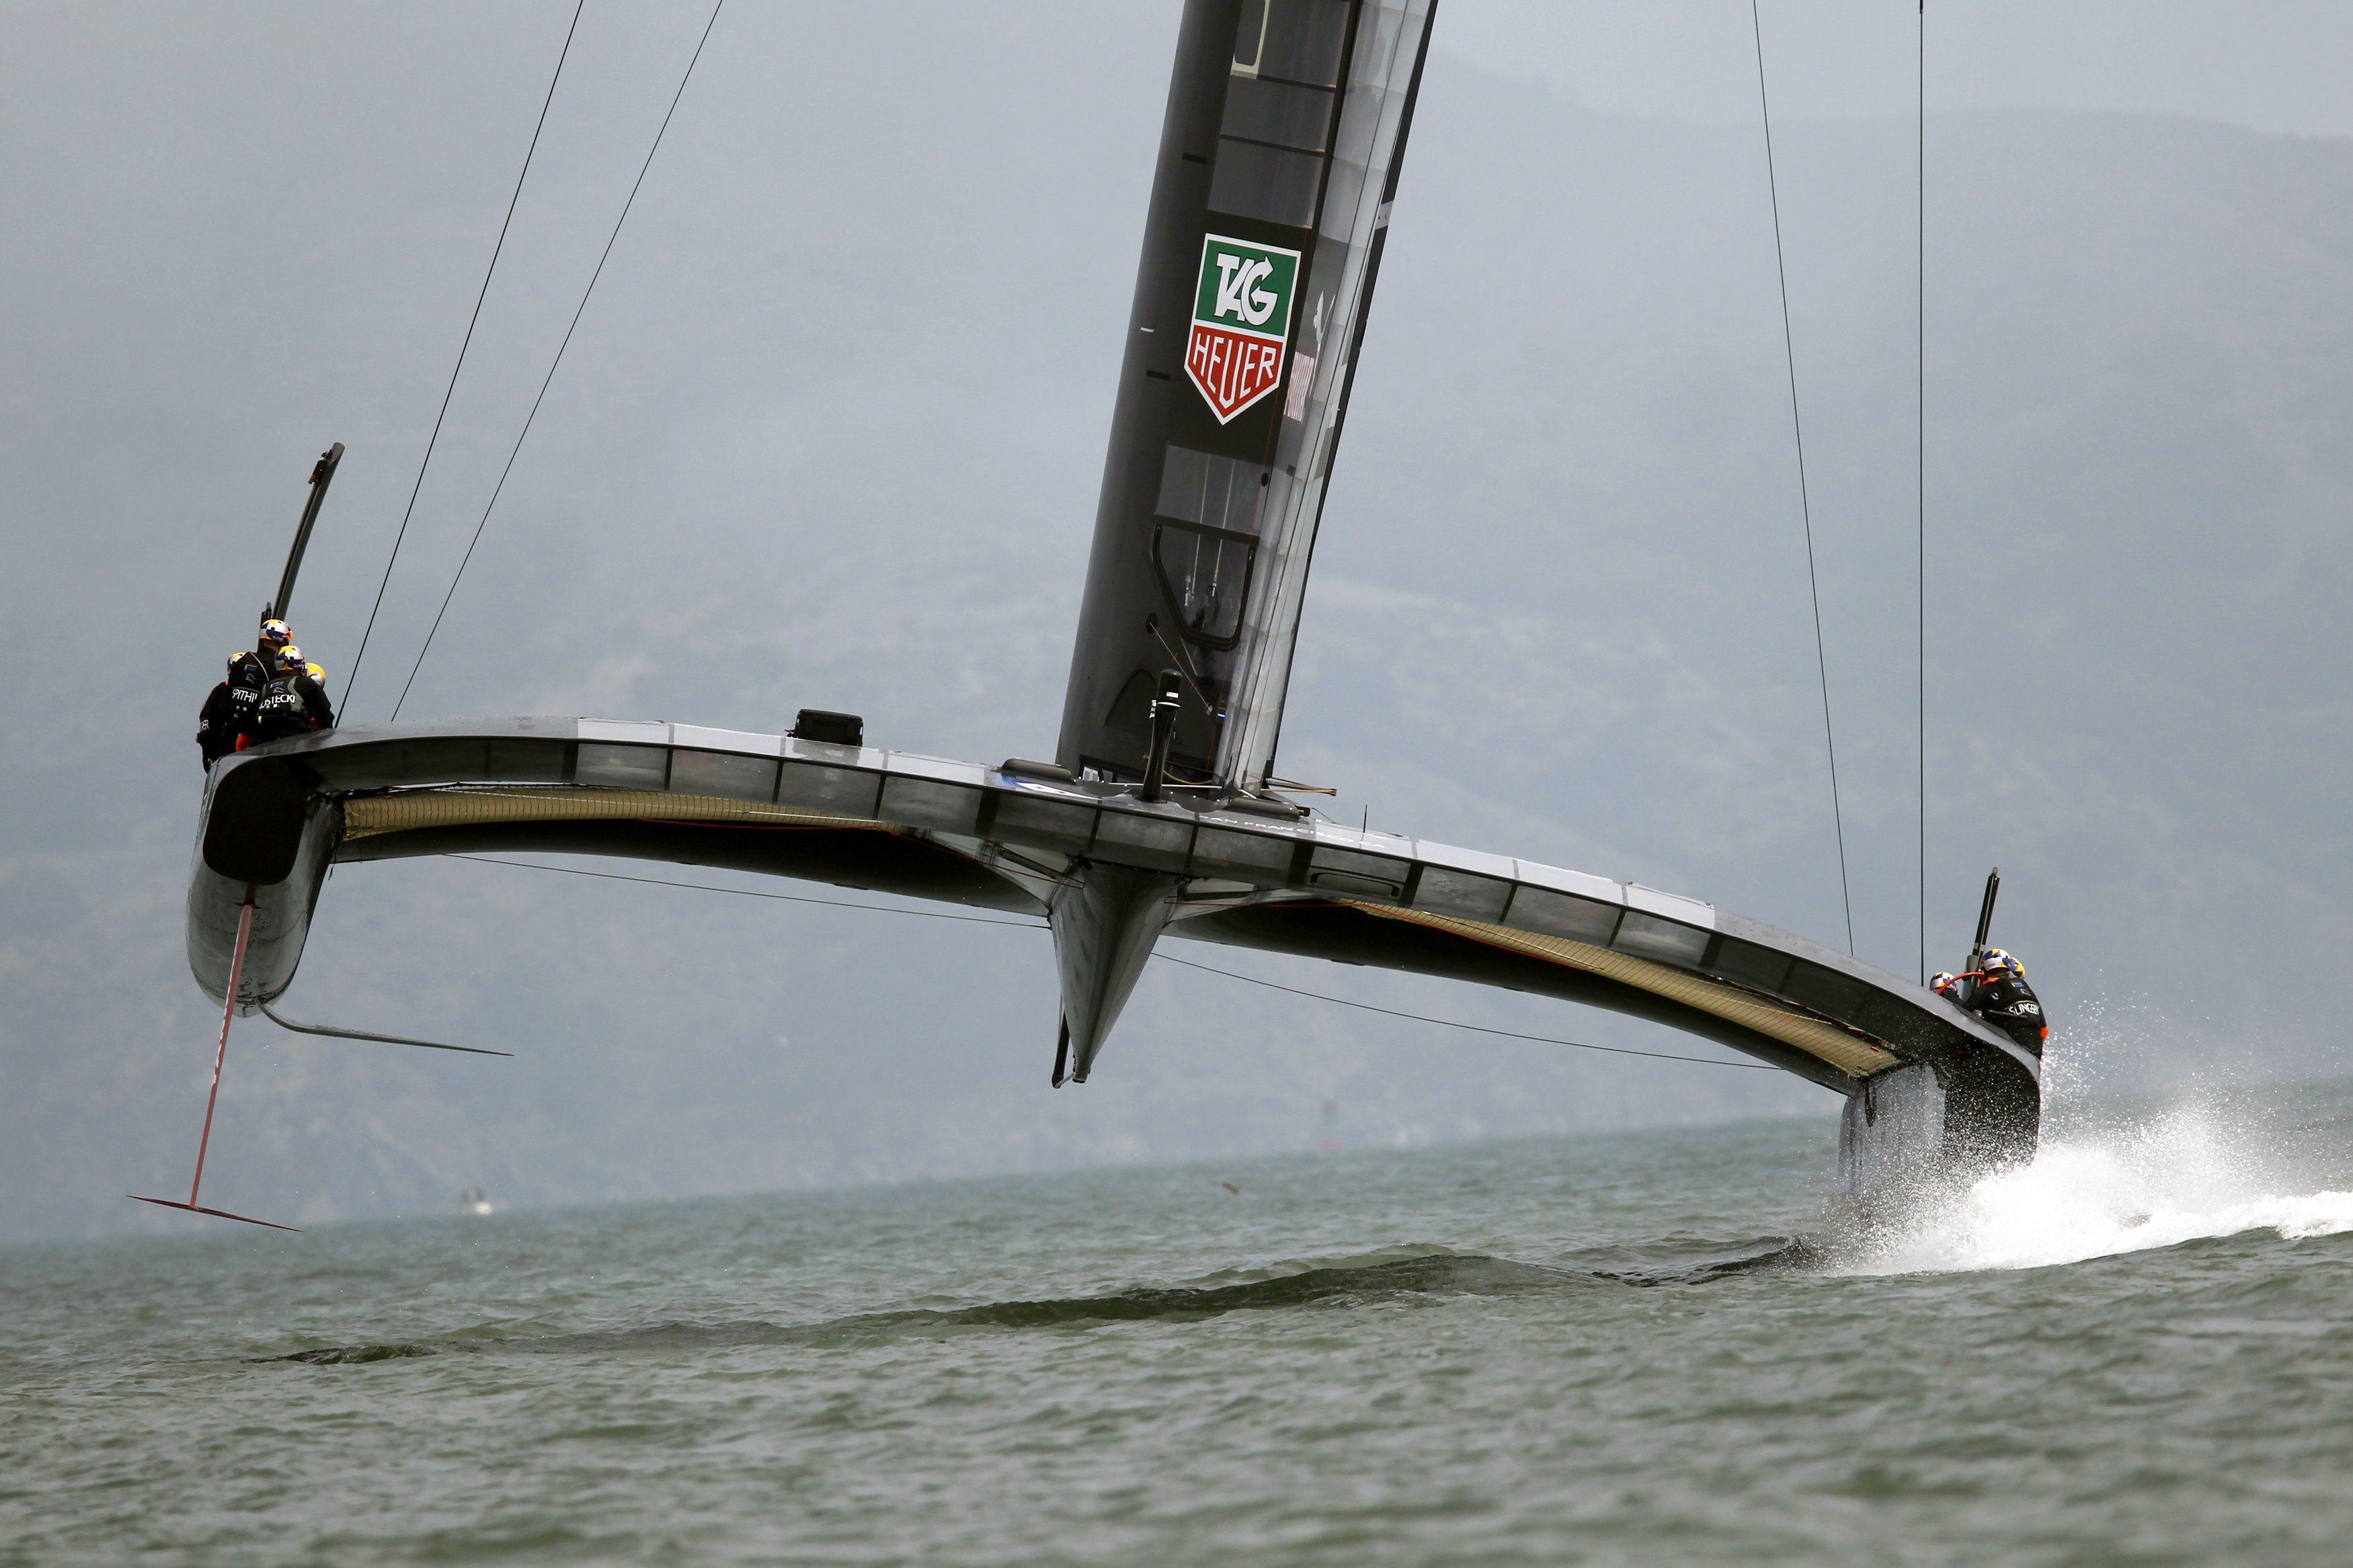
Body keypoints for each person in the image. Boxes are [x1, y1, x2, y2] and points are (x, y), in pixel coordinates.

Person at [196, 619, 293, 767]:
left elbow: (227, 698)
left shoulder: (242, 661)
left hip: (229, 736)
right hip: (260, 738)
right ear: (281, 638)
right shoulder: (276, 666)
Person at [1932, 950, 2047, 1056]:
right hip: (2033, 1056)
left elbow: (1963, 1012)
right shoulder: (2028, 990)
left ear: (1986, 970)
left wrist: (1947, 994)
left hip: (2006, 1051)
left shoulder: (1990, 988)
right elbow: (2044, 1030)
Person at [249, 644, 336, 742]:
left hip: (266, 744)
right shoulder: (306, 683)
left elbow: (251, 719)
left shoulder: (266, 687)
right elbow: (325, 714)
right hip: (297, 740)